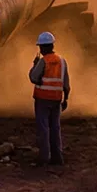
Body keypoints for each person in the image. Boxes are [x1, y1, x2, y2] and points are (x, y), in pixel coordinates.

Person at [27, 30, 70, 165]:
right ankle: (58, 157)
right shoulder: (62, 61)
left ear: (43, 47)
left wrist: (34, 65)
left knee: (44, 128)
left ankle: (44, 157)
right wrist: (66, 99)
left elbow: (34, 78)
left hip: (42, 100)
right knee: (55, 127)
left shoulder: (43, 61)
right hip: (57, 100)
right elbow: (66, 84)